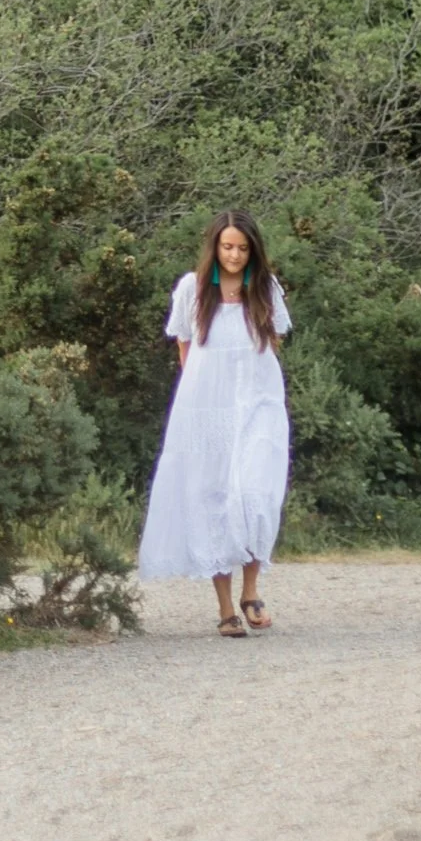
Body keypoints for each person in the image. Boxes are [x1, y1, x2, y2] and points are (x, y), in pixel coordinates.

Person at [137, 207, 291, 635]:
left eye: (243, 248)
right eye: (227, 247)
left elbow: (271, 343)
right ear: (215, 247)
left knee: (258, 490)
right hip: (206, 406)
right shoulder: (194, 287)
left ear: (253, 250)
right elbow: (184, 345)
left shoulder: (264, 287)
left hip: (257, 401)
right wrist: (199, 396)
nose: (235, 255)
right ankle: (226, 608)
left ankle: (251, 589)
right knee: (213, 496)